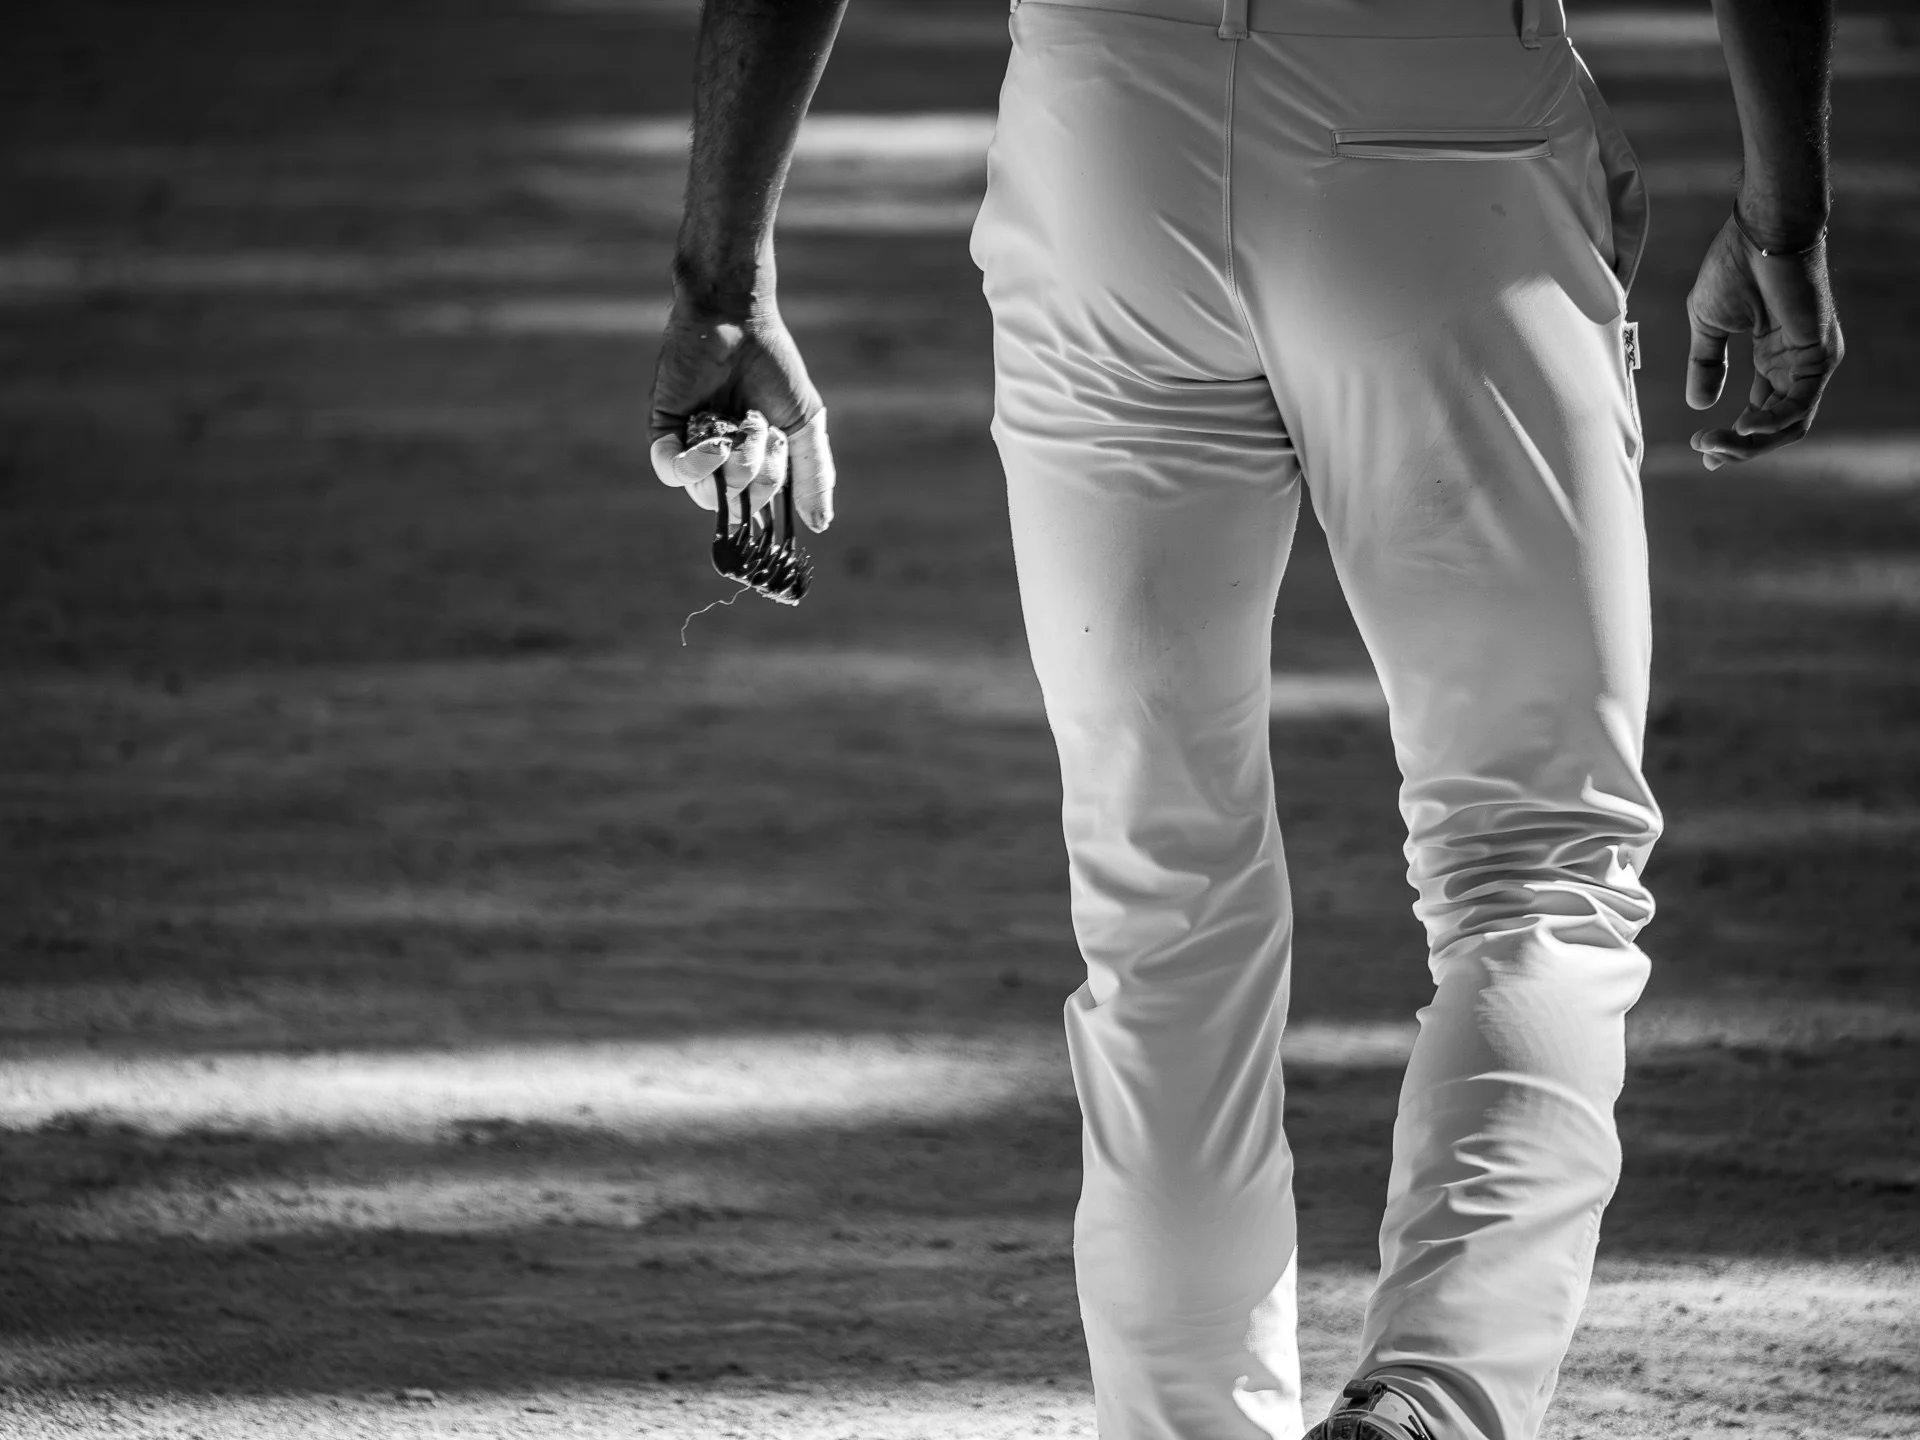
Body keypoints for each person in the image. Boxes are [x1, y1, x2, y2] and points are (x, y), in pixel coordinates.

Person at [646, 0, 1845, 1436]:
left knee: (1161, 885)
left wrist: (724, 275)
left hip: (1106, 131)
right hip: (1441, 119)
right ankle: (1435, 1398)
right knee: (1537, 857)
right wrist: (1784, 212)